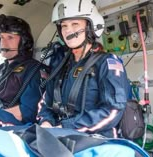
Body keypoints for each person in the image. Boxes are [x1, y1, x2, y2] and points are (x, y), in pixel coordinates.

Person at [37, 0, 130, 138]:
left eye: (75, 24)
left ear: (90, 28)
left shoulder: (107, 63)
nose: (68, 30)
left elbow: (112, 110)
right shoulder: (60, 66)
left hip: (97, 140)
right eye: (64, 25)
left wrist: (66, 127)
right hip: (59, 136)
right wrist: (46, 122)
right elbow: (46, 104)